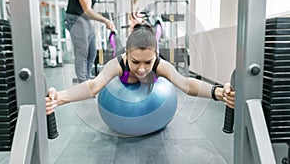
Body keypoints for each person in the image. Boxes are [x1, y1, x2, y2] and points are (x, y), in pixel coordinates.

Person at [46, 23, 235, 116]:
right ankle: (114, 35)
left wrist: (218, 92)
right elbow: (93, 86)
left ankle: (155, 29)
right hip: (121, 56)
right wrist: (59, 98)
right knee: (114, 44)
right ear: (128, 56)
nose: (142, 69)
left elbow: (186, 84)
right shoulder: (118, 63)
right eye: (136, 62)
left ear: (155, 57)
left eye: (148, 62)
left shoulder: (159, 64)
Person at [65, 0, 115, 83]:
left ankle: (87, 79)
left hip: (85, 18)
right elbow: (87, 11)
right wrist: (105, 20)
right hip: (75, 18)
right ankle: (83, 84)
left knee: (92, 51)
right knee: (82, 51)